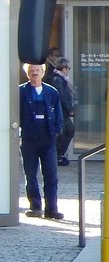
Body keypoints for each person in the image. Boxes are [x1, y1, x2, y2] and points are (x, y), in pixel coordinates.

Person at [19, 62, 65, 220]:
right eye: (31, 70)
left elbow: (59, 114)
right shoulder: (20, 92)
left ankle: (52, 209)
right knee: (30, 174)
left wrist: (57, 131)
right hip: (29, 139)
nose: (34, 73)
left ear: (43, 73)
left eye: (37, 70)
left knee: (51, 175)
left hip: (48, 139)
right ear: (27, 74)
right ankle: (35, 207)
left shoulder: (52, 92)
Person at [46, 57, 75, 165]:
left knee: (68, 131)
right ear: (63, 68)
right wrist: (69, 108)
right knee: (65, 132)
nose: (68, 70)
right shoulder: (57, 79)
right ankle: (58, 155)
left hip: (63, 111)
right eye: (68, 68)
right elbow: (61, 96)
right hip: (61, 111)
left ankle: (59, 155)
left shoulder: (60, 79)